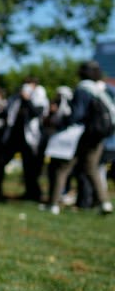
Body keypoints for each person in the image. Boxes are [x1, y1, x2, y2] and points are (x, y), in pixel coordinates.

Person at [45, 60, 114, 216]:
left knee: (63, 167)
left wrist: (61, 123)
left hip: (82, 134)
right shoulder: (102, 90)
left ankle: (53, 203)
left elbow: (77, 114)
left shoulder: (83, 89)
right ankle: (104, 203)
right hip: (100, 134)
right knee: (92, 168)